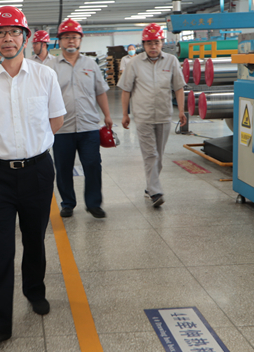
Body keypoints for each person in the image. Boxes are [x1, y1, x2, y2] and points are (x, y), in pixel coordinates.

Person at [0, 6, 66, 347]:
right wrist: (1, 146)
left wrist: (30, 146)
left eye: (14, 32)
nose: (8, 38)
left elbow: (56, 121)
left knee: (35, 239)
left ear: (25, 37)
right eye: (0, 33)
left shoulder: (44, 76)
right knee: (1, 248)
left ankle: (35, 291)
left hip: (37, 171)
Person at [44, 18, 113, 219]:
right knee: (63, 167)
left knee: (92, 165)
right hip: (61, 128)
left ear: (80, 40)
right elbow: (43, 96)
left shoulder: (90, 64)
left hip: (89, 126)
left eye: (74, 37)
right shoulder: (50, 66)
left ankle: (94, 204)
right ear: (60, 41)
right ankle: (67, 203)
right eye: (66, 37)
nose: (71, 41)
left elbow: (100, 91)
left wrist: (107, 115)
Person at [117, 23, 186, 207]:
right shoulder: (134, 63)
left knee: (159, 157)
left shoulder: (171, 61)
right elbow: (126, 90)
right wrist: (125, 114)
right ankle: (156, 192)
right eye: (149, 43)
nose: (153, 46)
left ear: (162, 42)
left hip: (164, 115)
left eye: (156, 42)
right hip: (143, 116)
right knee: (151, 155)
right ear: (143, 45)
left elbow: (179, 87)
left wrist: (181, 110)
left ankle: (150, 188)